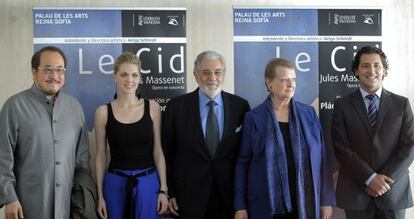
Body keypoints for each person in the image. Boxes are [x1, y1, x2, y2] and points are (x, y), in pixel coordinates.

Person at [234, 58, 336, 219]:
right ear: (269, 83)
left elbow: (322, 159)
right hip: (265, 203)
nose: (291, 84)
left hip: (305, 202)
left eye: (293, 79)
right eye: (284, 79)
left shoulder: (309, 114)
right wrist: (240, 206)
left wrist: (326, 200)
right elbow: (243, 163)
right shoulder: (253, 118)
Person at [0, 46, 90, 219]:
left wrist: (81, 203)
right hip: (26, 206)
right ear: (34, 71)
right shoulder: (14, 106)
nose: (55, 76)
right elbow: (3, 157)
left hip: (67, 207)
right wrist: (9, 197)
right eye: (48, 69)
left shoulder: (75, 108)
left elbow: (82, 162)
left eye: (59, 70)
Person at [163, 50, 250, 219]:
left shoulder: (240, 106)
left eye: (217, 72)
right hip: (187, 198)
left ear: (223, 75)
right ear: (195, 75)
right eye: (205, 72)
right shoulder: (176, 107)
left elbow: (245, 156)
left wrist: (243, 199)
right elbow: (167, 153)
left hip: (229, 197)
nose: (212, 77)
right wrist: (170, 192)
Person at [331, 46, 414, 219]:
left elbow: (409, 147)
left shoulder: (402, 104)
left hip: (393, 193)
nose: (372, 71)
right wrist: (369, 178)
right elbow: (341, 147)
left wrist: (383, 181)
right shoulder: (342, 105)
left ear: (385, 70)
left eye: (377, 65)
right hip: (356, 194)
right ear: (356, 70)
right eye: (365, 65)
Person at [94, 52, 169, 219]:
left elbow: (158, 151)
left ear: (140, 78)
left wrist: (163, 189)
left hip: (148, 184)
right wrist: (100, 196)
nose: (130, 80)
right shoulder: (103, 112)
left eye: (134, 75)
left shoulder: (153, 108)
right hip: (115, 184)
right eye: (124, 75)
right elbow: (100, 156)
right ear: (115, 77)